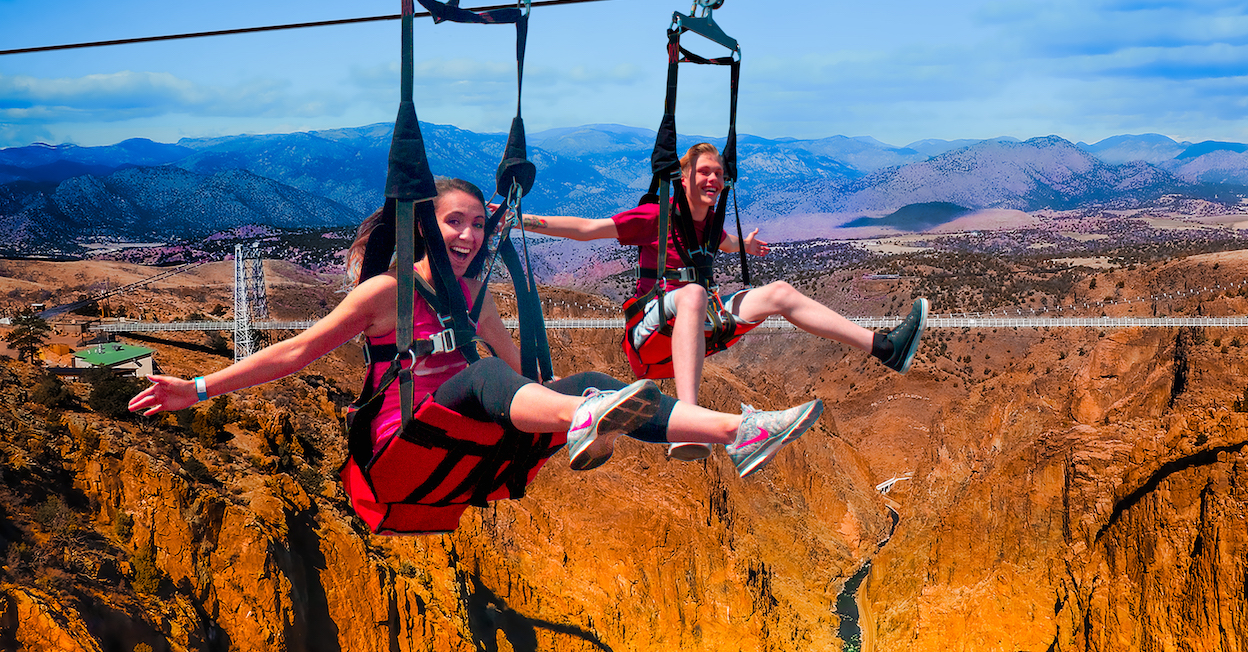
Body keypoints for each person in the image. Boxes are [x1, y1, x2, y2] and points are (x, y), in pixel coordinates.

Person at [128, 178, 824, 485]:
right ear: (426, 226)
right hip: (400, 437)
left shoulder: (476, 293)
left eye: (476, 222)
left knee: (598, 384)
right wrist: (199, 385)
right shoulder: (386, 291)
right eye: (451, 221)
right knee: (486, 377)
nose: (467, 233)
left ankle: (740, 434)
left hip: (469, 423)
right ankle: (588, 419)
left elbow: (520, 368)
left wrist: (559, 399)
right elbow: (296, 350)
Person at [519, 142, 929, 460]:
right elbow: (588, 229)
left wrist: (744, 246)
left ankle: (885, 347)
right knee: (694, 293)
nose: (712, 179)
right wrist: (522, 219)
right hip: (646, 334)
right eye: (704, 172)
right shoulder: (656, 217)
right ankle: (689, 421)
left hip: (691, 323)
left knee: (780, 292)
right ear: (683, 178)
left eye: (718, 173)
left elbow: (725, 244)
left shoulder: (711, 222)